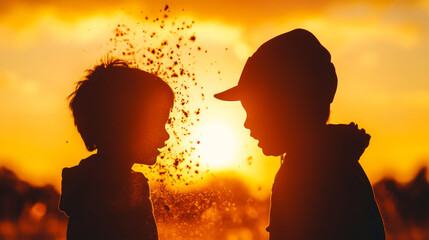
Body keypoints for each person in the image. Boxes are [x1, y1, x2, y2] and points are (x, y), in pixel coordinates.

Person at [215, 29, 385, 239]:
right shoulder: (333, 162)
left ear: (287, 105)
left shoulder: (306, 176)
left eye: (254, 110)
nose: (247, 123)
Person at [59, 59, 174, 240]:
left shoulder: (89, 183)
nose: (166, 136)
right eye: (158, 124)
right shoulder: (105, 190)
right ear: (125, 126)